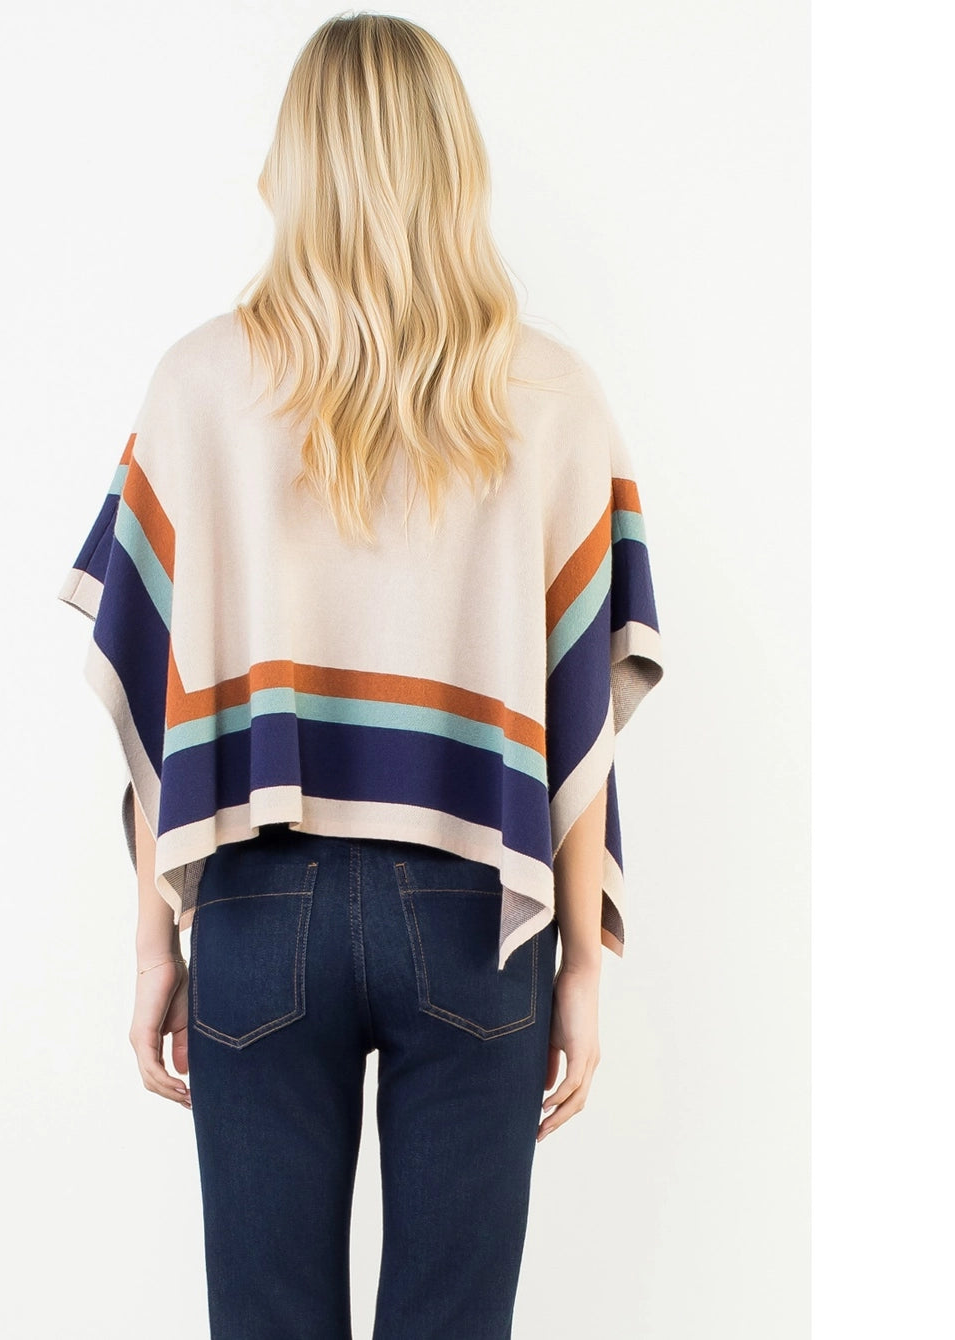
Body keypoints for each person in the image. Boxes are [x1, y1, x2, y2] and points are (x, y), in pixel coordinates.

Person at [58, 13, 664, 1339]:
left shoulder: (200, 385)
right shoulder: (554, 397)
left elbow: (156, 701)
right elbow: (580, 723)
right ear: (457, 163)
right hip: (477, 910)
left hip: (259, 900)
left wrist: (154, 941)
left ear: (296, 162)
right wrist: (579, 965)